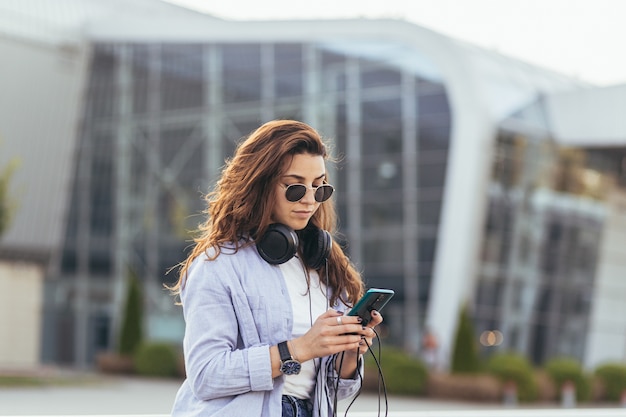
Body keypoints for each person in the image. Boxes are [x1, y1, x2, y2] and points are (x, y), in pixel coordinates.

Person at [169, 120, 383, 417]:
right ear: (261, 184)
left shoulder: (323, 264)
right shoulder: (217, 265)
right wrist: (298, 349)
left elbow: (337, 389)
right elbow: (206, 375)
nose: (310, 200)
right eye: (295, 187)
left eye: (319, 187)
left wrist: (348, 351)